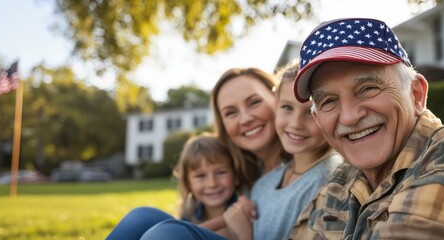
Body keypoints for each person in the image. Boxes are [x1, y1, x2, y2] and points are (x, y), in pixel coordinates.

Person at [288, 17, 444, 239]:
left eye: (368, 88)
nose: (350, 117)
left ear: (416, 94)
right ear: (318, 118)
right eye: (328, 101)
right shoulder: (339, 184)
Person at [107, 68, 286, 239]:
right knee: (141, 217)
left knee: (167, 233)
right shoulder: (245, 170)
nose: (245, 119)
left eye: (255, 102)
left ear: (277, 99)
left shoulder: (299, 166)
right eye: (231, 113)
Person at [224, 60, 344, 240]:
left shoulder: (329, 181)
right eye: (287, 107)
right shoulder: (263, 184)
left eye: (311, 111)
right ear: (275, 102)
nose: (296, 124)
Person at [106, 134, 239, 239]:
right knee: (140, 216)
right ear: (188, 183)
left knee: (167, 232)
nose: (212, 183)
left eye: (221, 173)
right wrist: (221, 220)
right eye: (200, 176)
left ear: (235, 174)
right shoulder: (191, 213)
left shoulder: (241, 208)